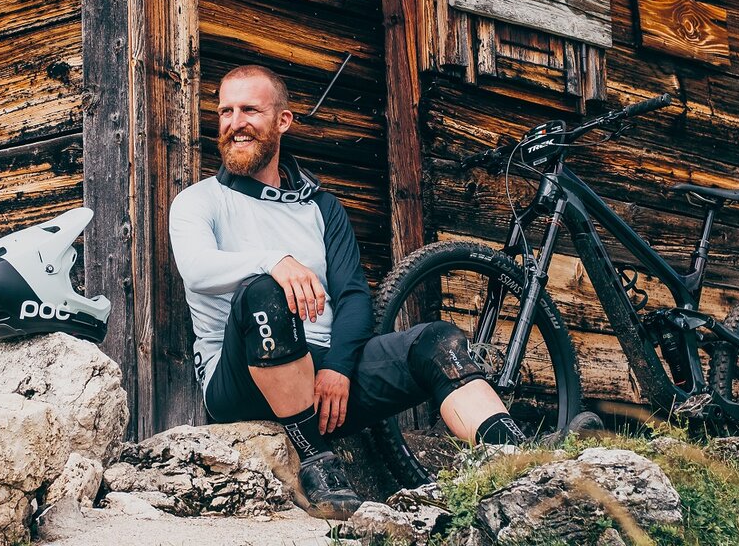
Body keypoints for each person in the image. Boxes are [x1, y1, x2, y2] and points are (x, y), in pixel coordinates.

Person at [168, 64, 527, 518]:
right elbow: (197, 271)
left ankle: (517, 458)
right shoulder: (199, 200)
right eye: (225, 111)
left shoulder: (320, 206)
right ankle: (315, 458)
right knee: (264, 291)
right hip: (240, 379)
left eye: (250, 110)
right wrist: (274, 261)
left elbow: (353, 295)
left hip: (325, 384)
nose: (235, 123)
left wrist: (338, 367)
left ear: (283, 121)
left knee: (436, 341)